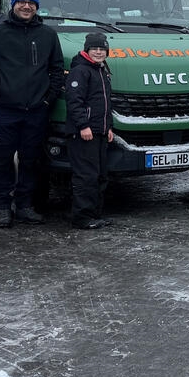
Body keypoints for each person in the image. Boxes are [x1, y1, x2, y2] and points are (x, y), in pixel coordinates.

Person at [0, 0, 65, 228]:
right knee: (1, 160)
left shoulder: (47, 35)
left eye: (31, 3)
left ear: (36, 6)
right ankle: (2, 206)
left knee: (30, 160)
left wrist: (48, 98)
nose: (26, 6)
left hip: (36, 110)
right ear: (13, 4)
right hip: (5, 109)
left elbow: (57, 70)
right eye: (22, 2)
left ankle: (24, 205)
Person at [66, 31, 114, 230]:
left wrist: (109, 127)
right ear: (87, 50)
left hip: (100, 132)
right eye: (94, 48)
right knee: (86, 176)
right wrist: (83, 125)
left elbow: (105, 103)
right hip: (84, 133)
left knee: (100, 175)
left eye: (102, 49)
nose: (98, 52)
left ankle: (95, 214)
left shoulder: (102, 70)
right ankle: (82, 217)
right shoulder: (80, 70)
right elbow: (74, 101)